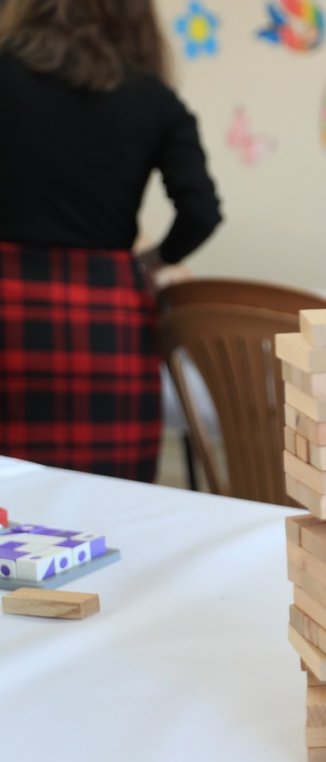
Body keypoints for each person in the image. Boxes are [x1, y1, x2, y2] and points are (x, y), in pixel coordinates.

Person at [0, 0, 222, 483]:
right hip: (107, 320)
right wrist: (154, 259)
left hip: (7, 309)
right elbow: (202, 212)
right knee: (112, 502)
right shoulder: (155, 100)